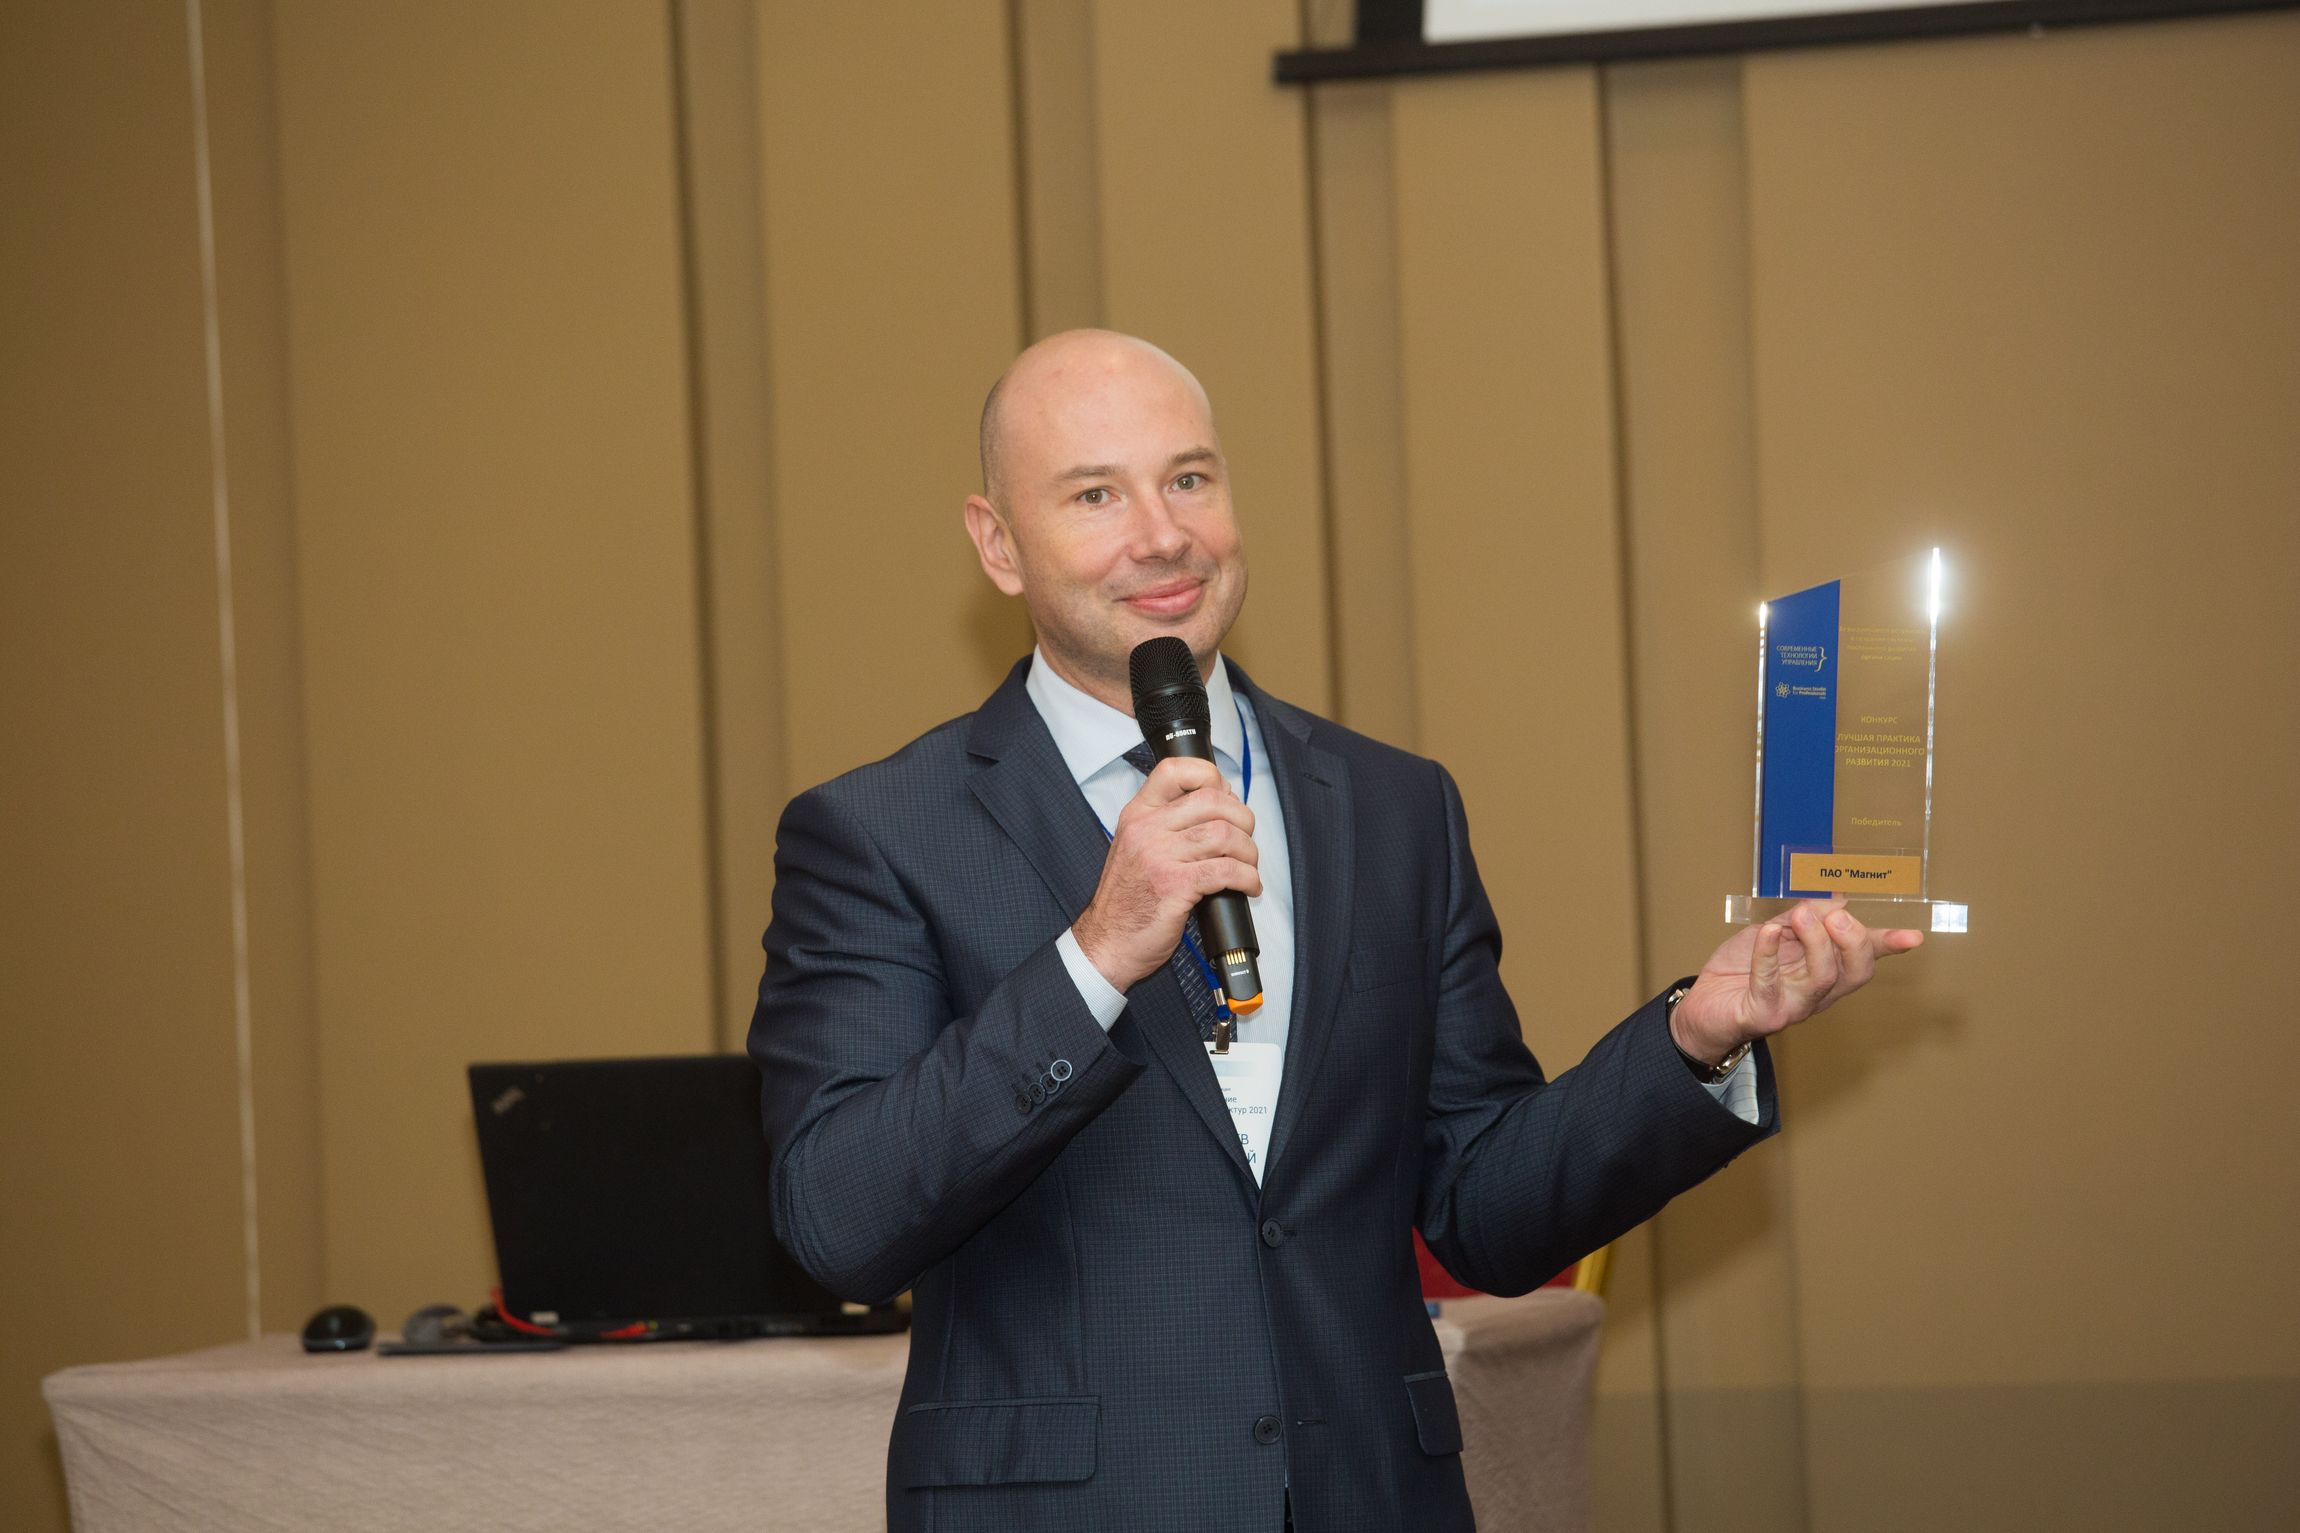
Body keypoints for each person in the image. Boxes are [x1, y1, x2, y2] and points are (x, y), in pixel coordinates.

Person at [747, 330, 1920, 1533]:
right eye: (1095, 495)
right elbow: (839, 1222)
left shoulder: (1391, 807)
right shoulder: (883, 832)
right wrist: (1095, 956)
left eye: (1188, 478)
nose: (1162, 534)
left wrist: (1693, 1038)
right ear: (997, 544)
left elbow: (1484, 1210)